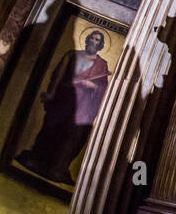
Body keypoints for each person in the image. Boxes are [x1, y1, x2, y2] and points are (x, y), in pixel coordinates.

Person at [15, 30, 111, 184]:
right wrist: (51, 94)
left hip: (82, 106)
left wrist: (91, 85)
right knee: (50, 128)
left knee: (72, 136)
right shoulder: (72, 55)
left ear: (100, 45)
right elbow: (57, 75)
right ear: (87, 40)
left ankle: (57, 168)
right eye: (92, 38)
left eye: (97, 40)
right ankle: (38, 160)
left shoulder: (102, 65)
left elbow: (102, 89)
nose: (94, 41)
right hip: (63, 99)